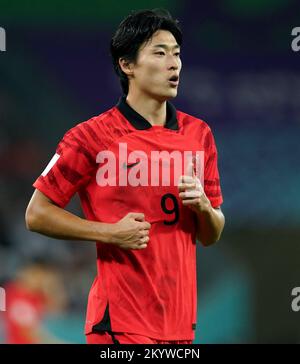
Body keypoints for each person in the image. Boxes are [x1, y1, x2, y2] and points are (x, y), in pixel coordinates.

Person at [25, 9, 225, 344]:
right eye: (160, 53)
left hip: (180, 325)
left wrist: (204, 207)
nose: (173, 64)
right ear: (127, 65)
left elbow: (211, 235)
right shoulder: (90, 137)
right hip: (118, 322)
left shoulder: (199, 134)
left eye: (176, 54)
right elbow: (37, 213)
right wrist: (110, 233)